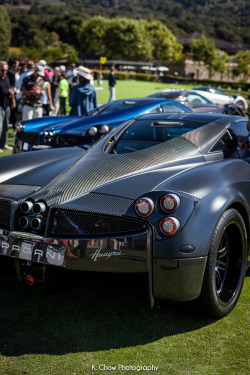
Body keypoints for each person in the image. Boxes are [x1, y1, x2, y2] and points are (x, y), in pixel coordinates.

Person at [0, 61, 16, 152]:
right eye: (2, 70)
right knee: (0, 126)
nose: (4, 72)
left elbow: (11, 90)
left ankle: (3, 143)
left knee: (6, 125)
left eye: (6, 70)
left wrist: (13, 101)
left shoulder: (7, 78)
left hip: (7, 104)